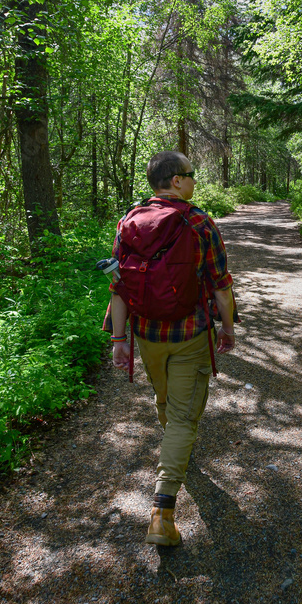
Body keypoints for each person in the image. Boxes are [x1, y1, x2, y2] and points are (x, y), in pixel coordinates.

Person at [102, 150, 236, 546]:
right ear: (176, 180)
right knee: (182, 418)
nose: (195, 181)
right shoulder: (197, 221)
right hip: (190, 335)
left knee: (166, 401)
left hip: (147, 336)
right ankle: (162, 513)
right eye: (191, 175)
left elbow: (119, 285)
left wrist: (119, 340)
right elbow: (221, 286)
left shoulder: (129, 220)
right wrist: (227, 328)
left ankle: (174, 451)